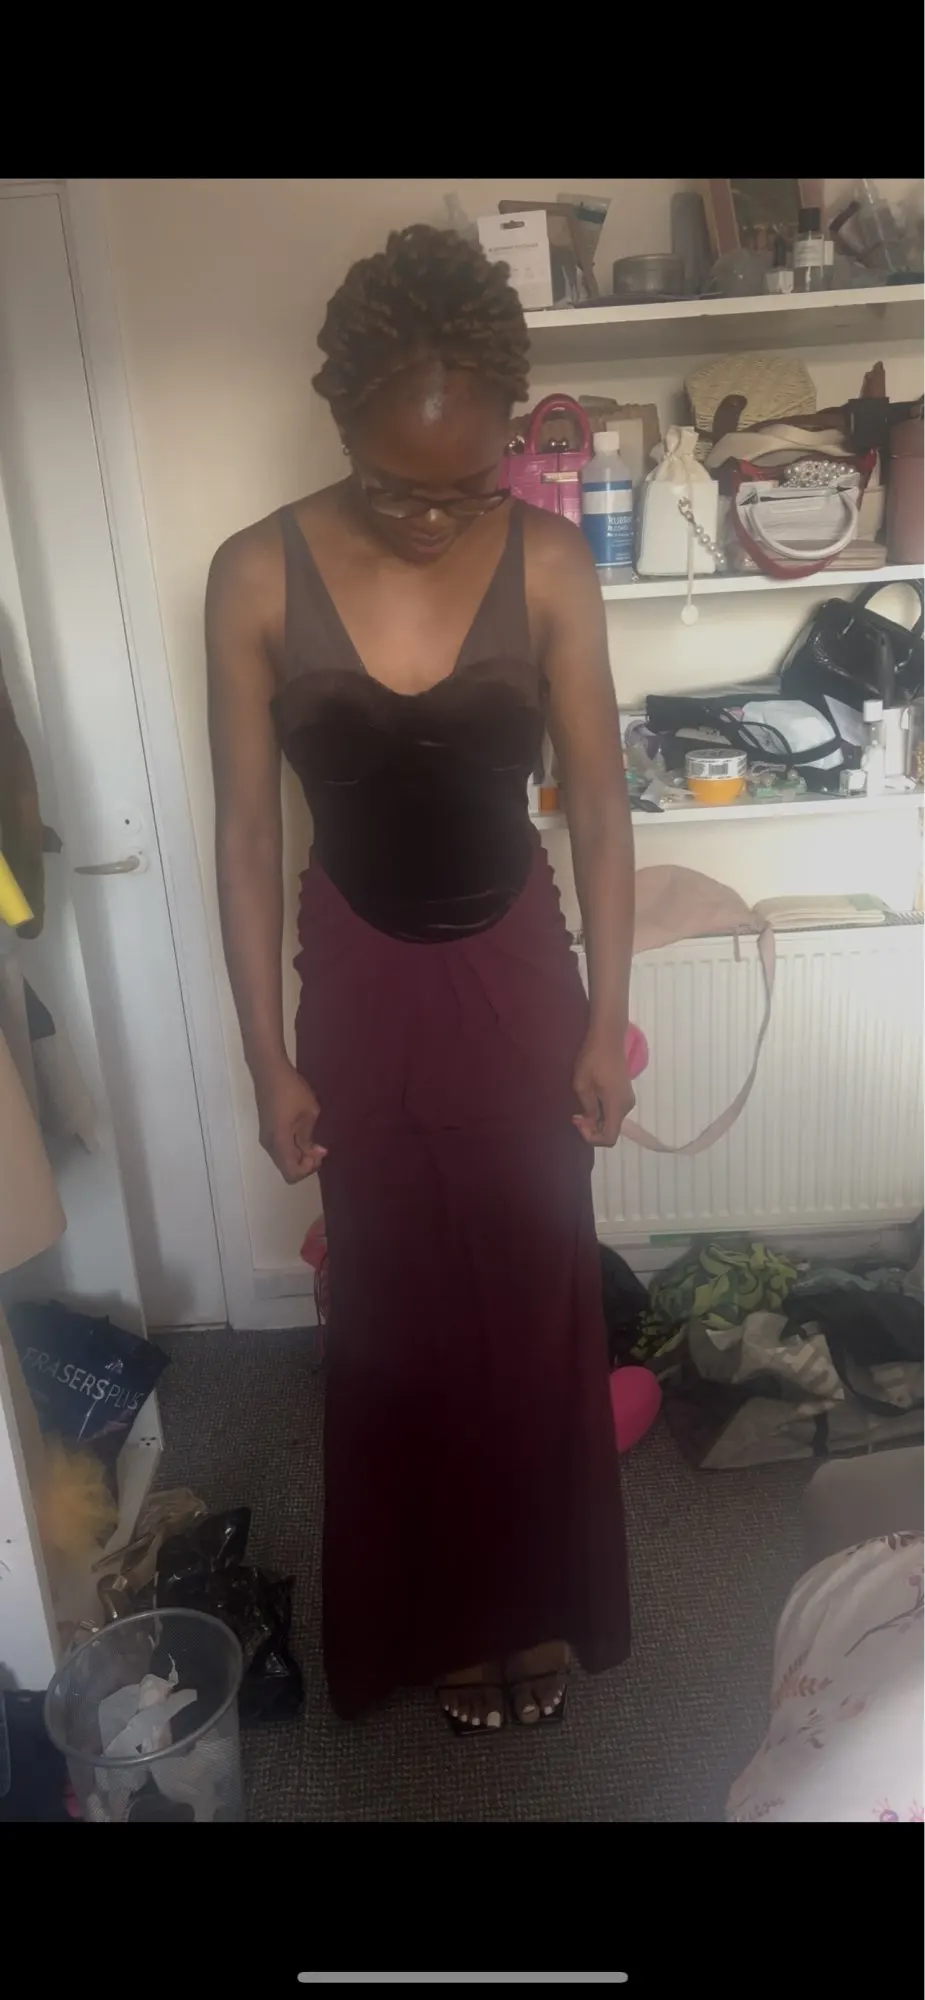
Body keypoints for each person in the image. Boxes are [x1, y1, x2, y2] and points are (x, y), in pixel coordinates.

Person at [206, 225, 636, 1731]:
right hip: (358, 985)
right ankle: (443, 1620)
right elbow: (248, 834)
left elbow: (598, 809)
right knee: (399, 1317)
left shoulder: (553, 562)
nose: (438, 519)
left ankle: (534, 1610)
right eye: (400, 487)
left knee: (531, 1298)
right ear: (340, 422)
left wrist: (605, 1020)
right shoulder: (254, 573)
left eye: (473, 485)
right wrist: (267, 1055)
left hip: (518, 978)